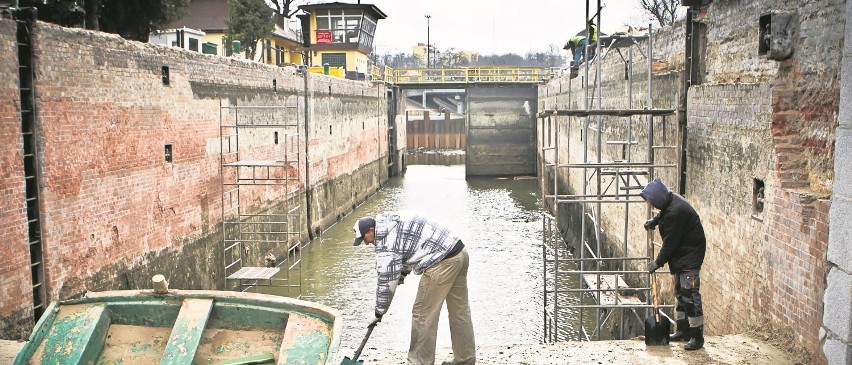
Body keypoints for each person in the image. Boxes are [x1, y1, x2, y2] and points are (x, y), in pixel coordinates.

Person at [352, 211, 475, 365]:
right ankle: (465, 361)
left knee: (422, 315)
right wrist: (400, 278)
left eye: (364, 238)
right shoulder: (392, 223)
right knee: (460, 312)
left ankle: (419, 362)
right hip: (459, 253)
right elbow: (406, 254)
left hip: (442, 262)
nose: (366, 243)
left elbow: (385, 281)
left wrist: (379, 312)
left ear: (371, 231)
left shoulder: (385, 244)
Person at [641, 178, 707, 351]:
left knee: (690, 296)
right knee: (680, 293)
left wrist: (657, 263)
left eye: (651, 201)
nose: (651, 205)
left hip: (689, 256)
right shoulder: (670, 200)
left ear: (657, 198)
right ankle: (682, 331)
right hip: (682, 255)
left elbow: (670, 244)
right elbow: (663, 214)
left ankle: (696, 337)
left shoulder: (676, 211)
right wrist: (654, 221)